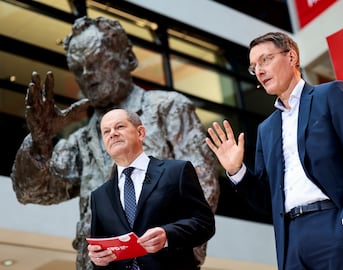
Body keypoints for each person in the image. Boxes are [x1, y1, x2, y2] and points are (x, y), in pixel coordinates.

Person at [11, 16, 219, 269]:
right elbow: (31, 192)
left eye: (97, 61)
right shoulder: (81, 139)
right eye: (78, 68)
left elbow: (203, 184)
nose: (88, 74)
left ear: (128, 58)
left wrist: (174, 248)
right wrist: (40, 141)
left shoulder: (167, 108)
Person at [205, 32, 343, 270]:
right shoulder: (266, 129)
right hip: (291, 240)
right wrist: (236, 171)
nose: (259, 71)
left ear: (291, 57)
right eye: (254, 67)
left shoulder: (331, 95)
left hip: (334, 224)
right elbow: (267, 199)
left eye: (265, 59)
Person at [87, 108, 215, 270]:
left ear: (140, 133)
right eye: (106, 131)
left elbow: (204, 223)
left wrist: (167, 235)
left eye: (119, 127)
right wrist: (98, 259)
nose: (112, 133)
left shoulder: (176, 171)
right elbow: (101, 248)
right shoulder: (99, 196)